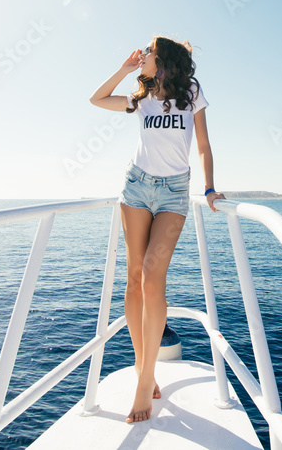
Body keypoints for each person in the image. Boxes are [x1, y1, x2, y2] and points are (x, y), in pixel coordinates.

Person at [88, 35, 225, 424]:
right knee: (134, 278)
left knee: (152, 277)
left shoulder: (191, 93)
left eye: (148, 51)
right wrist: (124, 69)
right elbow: (97, 99)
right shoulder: (142, 96)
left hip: (174, 192)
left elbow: (203, 145)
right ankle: (140, 364)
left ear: (163, 59)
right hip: (136, 188)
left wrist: (209, 188)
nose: (143, 54)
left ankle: (146, 378)